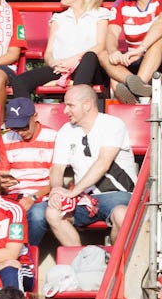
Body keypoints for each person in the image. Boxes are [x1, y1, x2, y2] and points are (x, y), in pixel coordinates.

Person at [32, 85, 137, 248]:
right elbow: (57, 168)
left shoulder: (112, 124)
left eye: (70, 105)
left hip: (117, 194)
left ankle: (117, 267)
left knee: (121, 215)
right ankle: (81, 261)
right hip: (83, 198)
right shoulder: (66, 130)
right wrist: (56, 191)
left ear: (87, 105)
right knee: (52, 213)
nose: (65, 110)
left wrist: (73, 191)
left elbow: (103, 163)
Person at [38, 0, 111, 96]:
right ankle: (23, 114)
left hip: (89, 69)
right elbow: (49, 52)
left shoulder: (100, 15)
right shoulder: (58, 18)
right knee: (20, 81)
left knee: (90, 56)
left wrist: (73, 61)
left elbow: (100, 45)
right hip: (61, 69)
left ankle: (75, 100)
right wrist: (55, 64)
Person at [0, 97, 55, 222]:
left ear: (35, 117)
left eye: (24, 126)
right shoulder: (6, 138)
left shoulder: (53, 137)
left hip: (42, 196)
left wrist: (33, 197)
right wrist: (1, 184)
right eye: (15, 128)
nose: (20, 132)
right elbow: (3, 173)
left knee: (37, 215)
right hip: (12, 195)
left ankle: (25, 242)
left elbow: (57, 181)